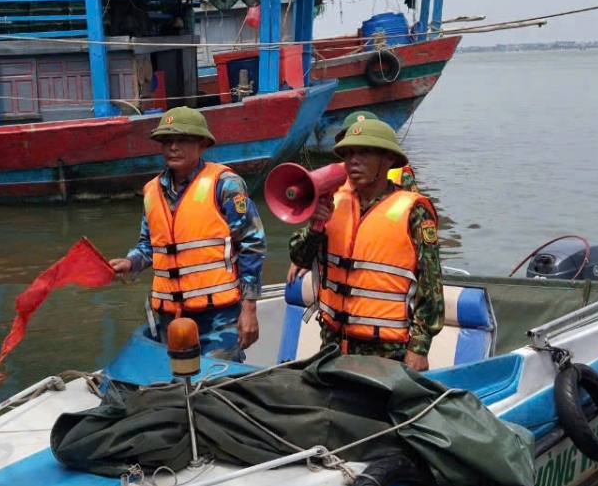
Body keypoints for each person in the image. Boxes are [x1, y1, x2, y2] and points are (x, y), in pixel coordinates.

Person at [109, 106, 264, 360]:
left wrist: (249, 308)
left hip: (218, 315)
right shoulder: (151, 191)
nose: (173, 147)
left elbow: (252, 244)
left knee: (218, 382)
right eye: (167, 141)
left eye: (183, 140)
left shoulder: (225, 184)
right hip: (171, 317)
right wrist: (129, 262)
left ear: (202, 145)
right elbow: (149, 246)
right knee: (177, 385)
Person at [289, 117, 444, 370]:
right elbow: (300, 258)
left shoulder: (414, 211)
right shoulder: (333, 202)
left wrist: (419, 347)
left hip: (386, 352)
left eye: (364, 152)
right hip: (333, 343)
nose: (353, 161)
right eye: (349, 153)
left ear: (388, 159)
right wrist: (316, 227)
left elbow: (431, 287)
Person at [333, 111, 419, 191]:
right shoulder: (333, 176)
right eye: (349, 151)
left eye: (365, 151)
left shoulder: (400, 177)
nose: (354, 160)